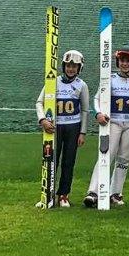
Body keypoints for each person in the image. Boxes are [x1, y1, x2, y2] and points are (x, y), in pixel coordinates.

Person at [83, 45, 129, 207]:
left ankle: (115, 193)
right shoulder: (109, 78)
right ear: (118, 62)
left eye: (128, 61)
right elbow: (97, 99)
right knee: (106, 155)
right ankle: (93, 192)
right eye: (122, 61)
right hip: (113, 122)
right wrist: (98, 114)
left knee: (124, 158)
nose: (125, 64)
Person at [35, 50, 90, 207]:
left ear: (79, 68)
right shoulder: (53, 82)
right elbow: (39, 102)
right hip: (54, 128)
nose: (70, 69)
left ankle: (64, 195)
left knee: (68, 162)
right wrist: (43, 120)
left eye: (74, 66)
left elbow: (85, 110)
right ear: (63, 66)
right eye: (68, 65)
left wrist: (83, 132)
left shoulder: (81, 85)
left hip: (73, 128)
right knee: (51, 159)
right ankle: (47, 193)